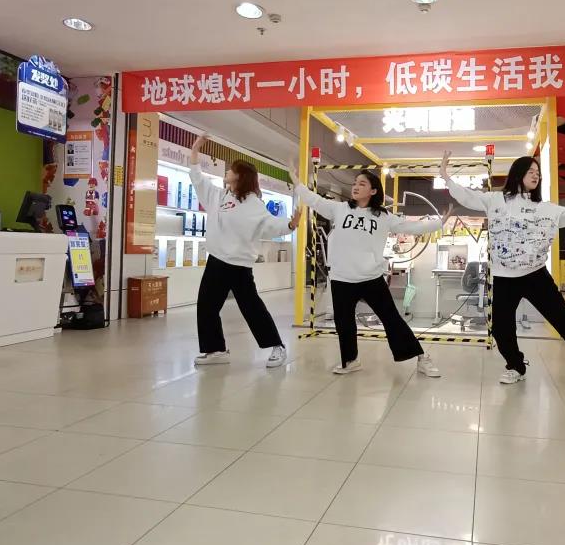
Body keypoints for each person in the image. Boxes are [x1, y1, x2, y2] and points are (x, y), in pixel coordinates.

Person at [441, 152, 565, 389]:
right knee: (501, 328)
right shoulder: (495, 200)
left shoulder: (544, 209)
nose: (536, 176)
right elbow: (468, 196)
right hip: (504, 277)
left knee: (564, 320)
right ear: (518, 174)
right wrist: (447, 178)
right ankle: (515, 366)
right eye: (531, 172)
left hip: (536, 276)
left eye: (538, 173)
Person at [291, 168, 447, 377]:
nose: (355, 186)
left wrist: (439, 223)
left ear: (373, 191)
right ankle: (350, 361)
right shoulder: (339, 209)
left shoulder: (383, 216)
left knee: (392, 319)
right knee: (344, 323)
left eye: (362, 184)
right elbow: (315, 200)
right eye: (355, 183)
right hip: (341, 278)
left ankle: (421, 357)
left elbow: (410, 227)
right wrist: (297, 183)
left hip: (371, 277)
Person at [189, 135, 301, 369]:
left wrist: (290, 224)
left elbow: (270, 224)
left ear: (240, 176)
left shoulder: (253, 203)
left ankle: (277, 346)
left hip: (239, 265)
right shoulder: (219, 196)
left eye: (231, 169)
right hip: (216, 261)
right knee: (206, 306)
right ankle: (216, 350)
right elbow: (198, 179)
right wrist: (195, 150)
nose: (227, 171)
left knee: (251, 308)